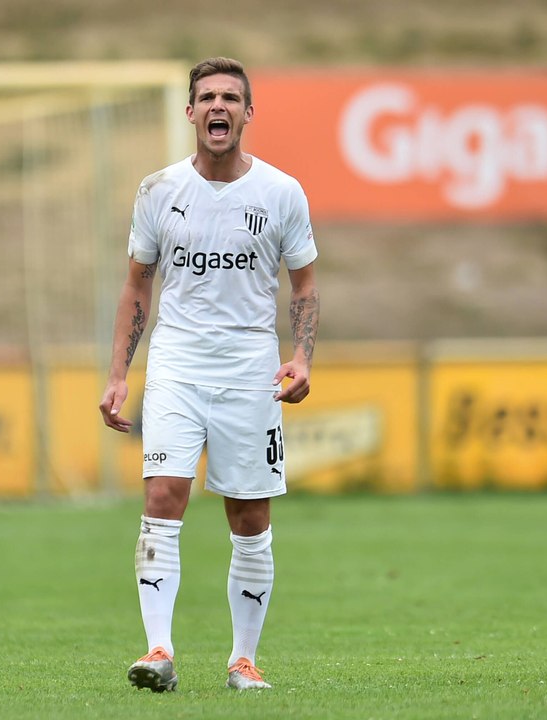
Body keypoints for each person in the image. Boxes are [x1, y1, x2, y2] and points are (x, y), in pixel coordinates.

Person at [98, 57, 320, 693]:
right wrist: (119, 373)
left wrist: (302, 357)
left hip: (250, 367)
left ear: (248, 113)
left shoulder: (281, 192)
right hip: (177, 364)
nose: (218, 107)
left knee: (249, 516)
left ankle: (242, 661)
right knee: (162, 495)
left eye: (230, 98)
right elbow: (138, 285)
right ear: (190, 112)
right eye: (206, 97)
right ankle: (158, 650)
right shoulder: (157, 190)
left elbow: (303, 283)